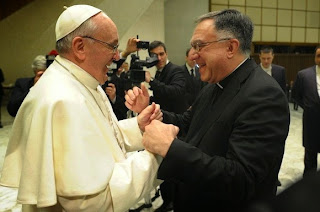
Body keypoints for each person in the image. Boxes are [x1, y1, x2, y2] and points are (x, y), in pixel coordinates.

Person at [0, 4, 163, 212]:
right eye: (112, 46)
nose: (116, 56)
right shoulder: (62, 100)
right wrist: (156, 155)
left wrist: (138, 126)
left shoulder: (80, 81)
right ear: (79, 47)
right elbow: (90, 202)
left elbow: (98, 137)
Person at [125, 9, 290, 212]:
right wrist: (152, 114)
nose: (193, 55)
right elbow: (188, 123)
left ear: (230, 47)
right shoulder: (213, 84)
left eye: (199, 46)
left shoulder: (264, 95)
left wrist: (171, 148)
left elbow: (241, 179)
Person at [144, 40, 189, 211]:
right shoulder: (161, 72)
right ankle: (168, 200)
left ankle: (175, 202)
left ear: (166, 53)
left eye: (161, 54)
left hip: (177, 125)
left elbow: (176, 93)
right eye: (155, 55)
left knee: (175, 169)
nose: (159, 58)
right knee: (164, 167)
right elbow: (161, 97)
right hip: (164, 123)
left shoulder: (175, 70)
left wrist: (152, 81)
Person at [291, 45, 320, 178]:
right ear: (315, 57)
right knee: (310, 157)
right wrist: (309, 107)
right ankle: (308, 185)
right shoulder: (304, 75)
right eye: (319, 56)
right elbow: (296, 95)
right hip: (311, 122)